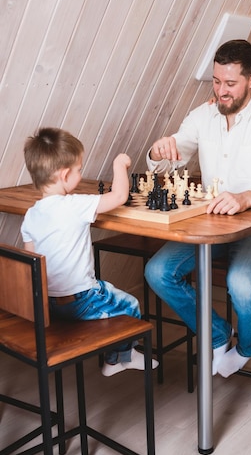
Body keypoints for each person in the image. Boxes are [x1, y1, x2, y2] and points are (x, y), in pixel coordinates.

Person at [144, 39, 251, 377]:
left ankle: (247, 347)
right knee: (157, 272)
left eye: (230, 84)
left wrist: (244, 198)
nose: (221, 91)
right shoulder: (202, 115)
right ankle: (218, 334)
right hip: (212, 225)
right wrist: (158, 153)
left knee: (240, 284)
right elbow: (172, 158)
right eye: (216, 81)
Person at [21, 127, 158, 376]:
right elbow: (118, 196)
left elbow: (31, 263)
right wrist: (119, 164)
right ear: (64, 175)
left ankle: (116, 356)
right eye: (79, 169)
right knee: (132, 306)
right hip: (82, 301)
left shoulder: (31, 215)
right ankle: (119, 359)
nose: (81, 174)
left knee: (106, 291)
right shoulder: (75, 205)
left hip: (47, 306)